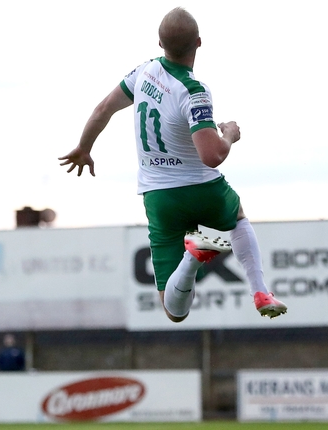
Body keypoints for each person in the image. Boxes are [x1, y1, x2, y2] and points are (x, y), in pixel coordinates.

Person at [58, 7, 287, 322]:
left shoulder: (144, 73)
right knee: (237, 218)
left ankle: (192, 259)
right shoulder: (194, 91)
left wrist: (84, 147)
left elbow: (103, 109)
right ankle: (260, 290)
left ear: (159, 43)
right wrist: (230, 135)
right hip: (204, 188)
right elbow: (213, 156)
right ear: (199, 42)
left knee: (174, 312)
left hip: (160, 197)